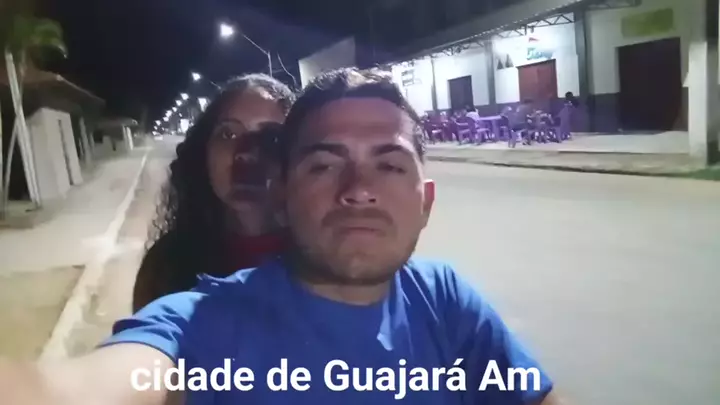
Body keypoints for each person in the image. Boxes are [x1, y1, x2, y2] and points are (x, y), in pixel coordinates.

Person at [0, 68, 563, 405]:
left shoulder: (444, 301)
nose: (359, 191)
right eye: (324, 165)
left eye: (389, 165)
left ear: (426, 201)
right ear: (288, 194)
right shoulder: (201, 314)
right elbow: (104, 381)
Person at [132, 73, 295, 312]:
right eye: (228, 134)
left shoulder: (328, 259)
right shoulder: (165, 267)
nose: (245, 154)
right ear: (204, 152)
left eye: (271, 137)